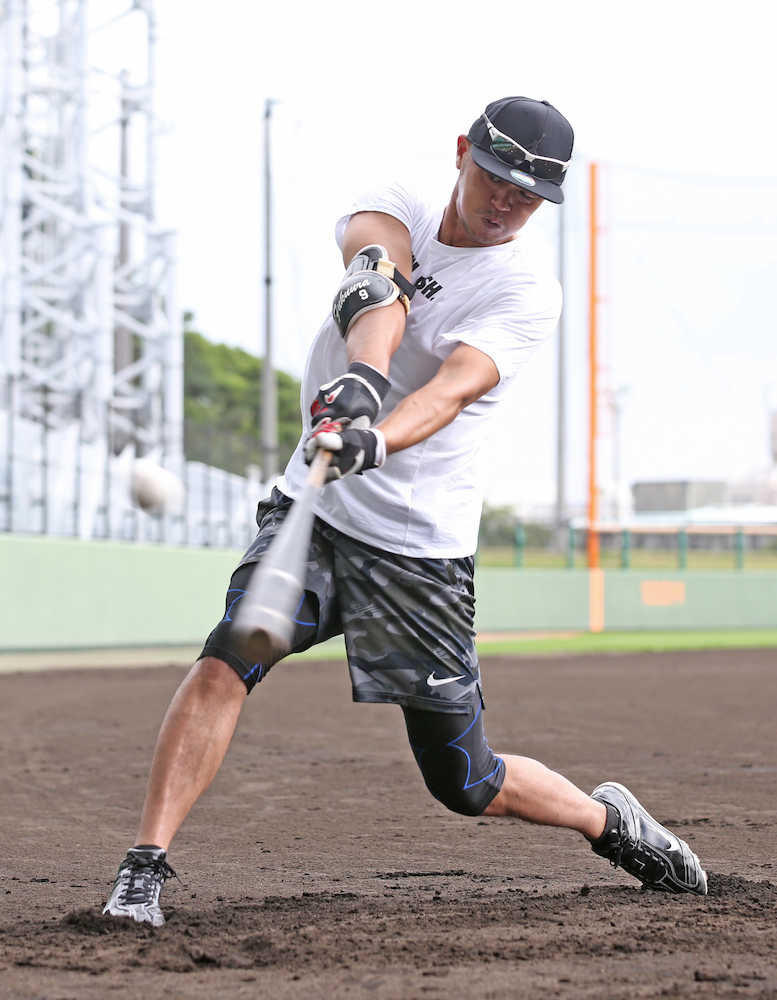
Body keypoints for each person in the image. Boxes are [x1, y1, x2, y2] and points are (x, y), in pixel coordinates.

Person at [103, 96, 707, 927]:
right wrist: (359, 380)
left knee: (465, 782)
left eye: (528, 197)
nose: (506, 205)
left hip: (419, 550)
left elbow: (453, 390)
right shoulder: (403, 199)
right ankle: (144, 868)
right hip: (314, 512)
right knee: (228, 656)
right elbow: (375, 278)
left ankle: (609, 822)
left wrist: (374, 436)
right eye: (496, 179)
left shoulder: (528, 289)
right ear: (462, 152)